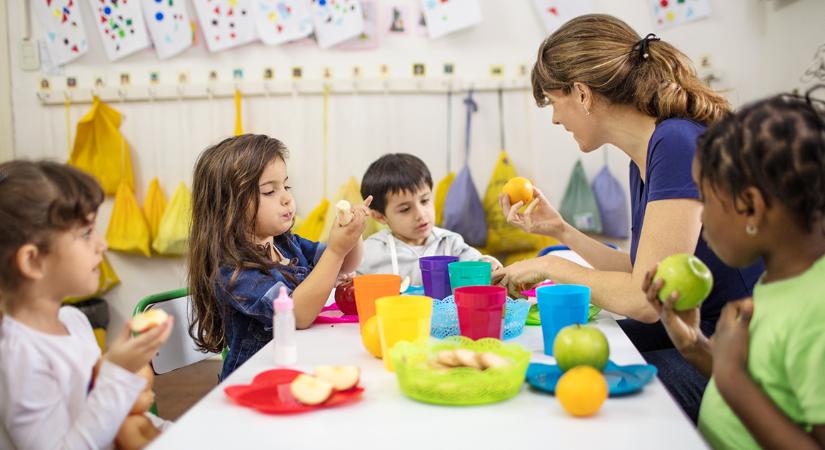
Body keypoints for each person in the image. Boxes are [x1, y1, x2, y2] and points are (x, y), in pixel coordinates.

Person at [492, 14, 763, 421]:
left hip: (737, 356)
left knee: (569, 393)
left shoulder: (675, 143)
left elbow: (643, 301)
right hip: (697, 332)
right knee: (554, 363)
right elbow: (645, 270)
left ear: (582, 94)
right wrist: (562, 231)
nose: (554, 119)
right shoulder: (649, 152)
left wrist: (550, 264)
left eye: (554, 102)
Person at [643, 92, 825, 449]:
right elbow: (773, 394)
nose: (702, 218)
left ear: (751, 208)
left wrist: (730, 376)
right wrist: (698, 347)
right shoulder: (780, 282)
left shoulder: (817, 310)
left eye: (705, 201)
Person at [0, 160, 173, 449]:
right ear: (32, 260)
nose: (101, 244)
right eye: (86, 233)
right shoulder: (19, 356)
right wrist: (117, 372)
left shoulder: (74, 321)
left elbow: (106, 415)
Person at [188, 134, 370, 380]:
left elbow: (347, 263)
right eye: (269, 191)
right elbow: (298, 315)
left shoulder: (285, 243)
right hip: (254, 380)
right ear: (228, 206)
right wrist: (337, 250)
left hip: (296, 365)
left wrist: (352, 232)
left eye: (286, 186)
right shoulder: (233, 272)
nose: (286, 198)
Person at [357, 153, 501, 286]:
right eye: (405, 209)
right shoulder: (371, 250)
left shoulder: (449, 243)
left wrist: (489, 264)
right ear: (380, 216)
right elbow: (351, 283)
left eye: (425, 200)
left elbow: (478, 264)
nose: (421, 214)